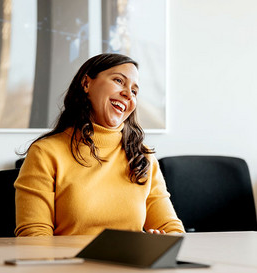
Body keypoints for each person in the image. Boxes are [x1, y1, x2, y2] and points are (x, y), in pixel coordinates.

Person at [15, 53, 184, 237]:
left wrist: (161, 242)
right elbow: (34, 237)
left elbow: (172, 230)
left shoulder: (143, 158)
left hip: (129, 265)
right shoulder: (45, 152)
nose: (128, 94)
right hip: (68, 265)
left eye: (134, 91)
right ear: (86, 83)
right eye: (119, 81)